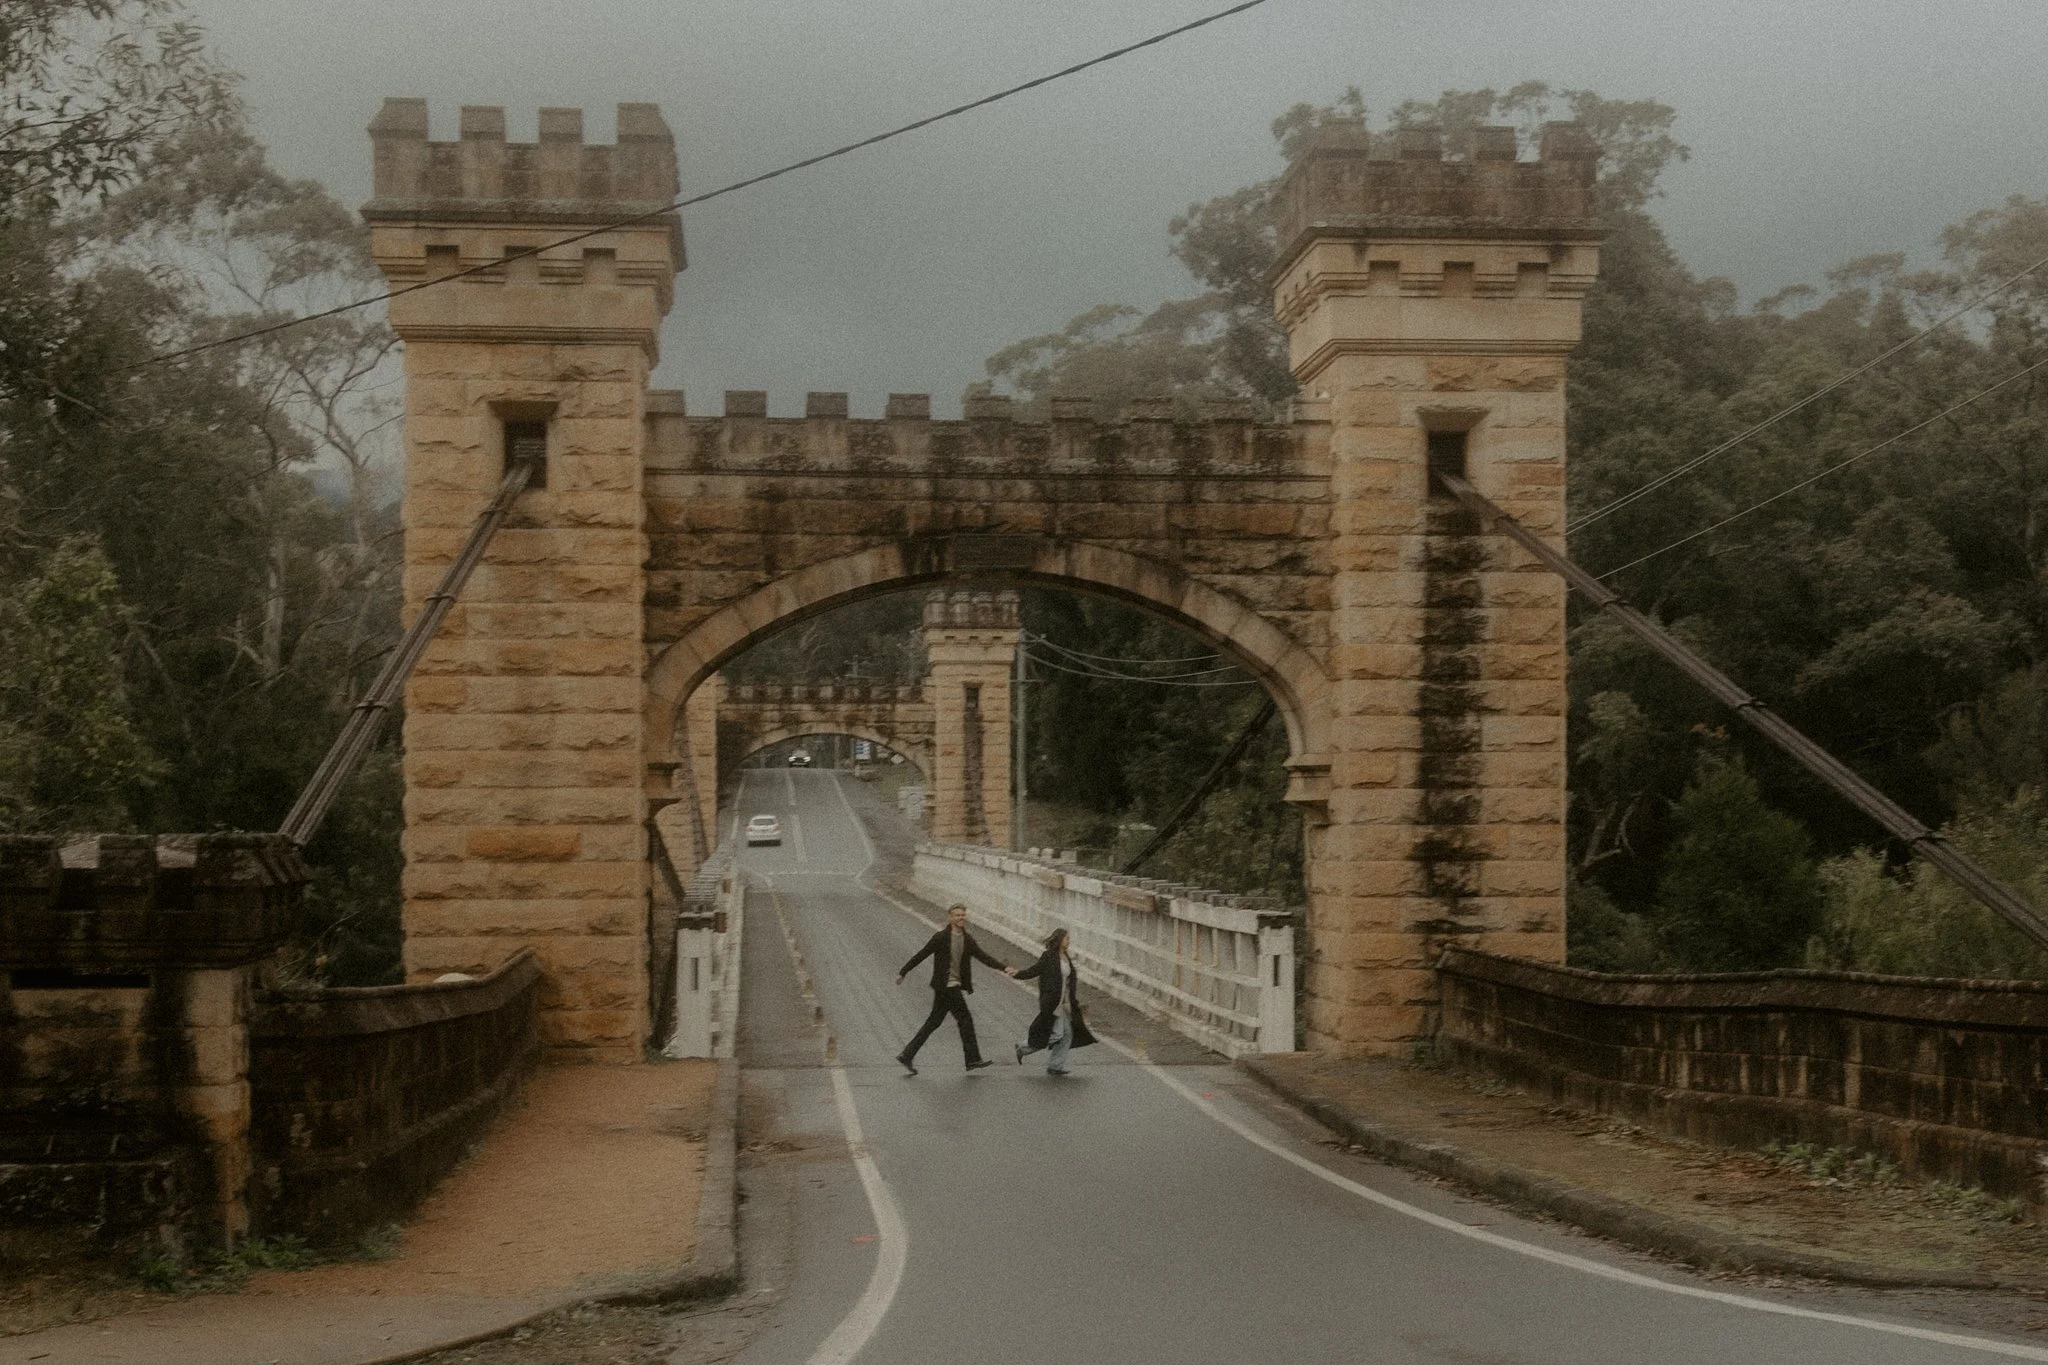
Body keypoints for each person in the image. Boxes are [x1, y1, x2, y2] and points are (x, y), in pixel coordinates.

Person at [894, 904, 1013, 1075]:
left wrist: (1004, 968)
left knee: (934, 1022)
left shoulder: (967, 939)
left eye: (963, 915)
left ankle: (907, 1055)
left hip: (951, 986)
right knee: (965, 1019)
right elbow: (922, 954)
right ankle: (972, 1059)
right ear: (950, 917)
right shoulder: (941, 938)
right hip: (946, 986)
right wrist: (903, 972)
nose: (961, 918)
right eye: (957, 915)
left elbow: (983, 957)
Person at [1012, 926, 1094, 1075]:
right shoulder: (1049, 956)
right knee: (1058, 1034)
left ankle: (1055, 1066)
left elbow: (1069, 981)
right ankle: (1023, 1047)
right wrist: (1017, 974)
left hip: (1064, 1003)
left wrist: (1072, 1001)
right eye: (1067, 938)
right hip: (1053, 1003)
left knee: (1067, 1034)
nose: (1069, 941)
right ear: (1060, 939)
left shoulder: (1066, 957)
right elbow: (1034, 970)